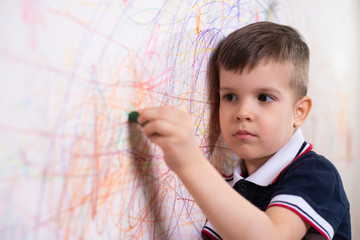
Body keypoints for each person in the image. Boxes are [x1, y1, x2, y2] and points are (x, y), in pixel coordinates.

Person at [135, 22, 351, 239]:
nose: (243, 112)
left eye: (264, 97)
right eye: (230, 97)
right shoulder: (230, 185)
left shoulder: (316, 174)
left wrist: (189, 162)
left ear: (299, 112)